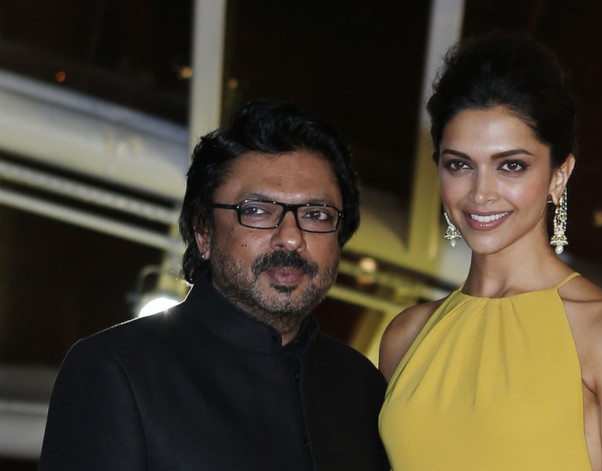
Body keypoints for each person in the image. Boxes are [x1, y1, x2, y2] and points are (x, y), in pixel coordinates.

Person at [378, 31, 602, 471]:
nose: (481, 193)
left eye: (511, 166)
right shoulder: (405, 337)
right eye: (459, 164)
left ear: (559, 174)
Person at [40, 101, 390, 470]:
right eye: (257, 210)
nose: (290, 238)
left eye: (316, 215)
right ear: (203, 232)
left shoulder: (363, 386)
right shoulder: (117, 369)